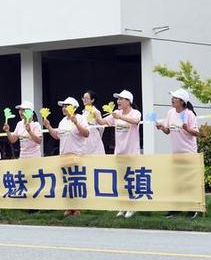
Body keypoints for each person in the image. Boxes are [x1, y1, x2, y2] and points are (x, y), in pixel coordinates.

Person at [97, 90, 142, 218]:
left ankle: (132, 207)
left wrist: (120, 117)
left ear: (128, 101)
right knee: (121, 181)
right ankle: (122, 207)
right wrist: (94, 113)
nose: (118, 101)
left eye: (121, 99)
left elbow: (135, 121)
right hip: (119, 153)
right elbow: (102, 122)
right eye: (118, 99)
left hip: (132, 152)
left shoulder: (135, 112)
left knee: (131, 180)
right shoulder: (116, 113)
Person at [156, 89, 200, 219]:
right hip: (176, 154)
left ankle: (193, 209)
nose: (172, 99)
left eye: (175, 98)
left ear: (182, 101)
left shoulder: (189, 114)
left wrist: (187, 128)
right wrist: (161, 127)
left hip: (188, 154)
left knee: (189, 182)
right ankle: (176, 209)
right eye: (172, 97)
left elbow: (197, 133)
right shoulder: (170, 112)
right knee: (177, 183)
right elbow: (168, 131)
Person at [44, 96, 89, 217]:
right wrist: (48, 126)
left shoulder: (80, 118)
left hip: (77, 155)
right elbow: (57, 136)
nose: (63, 108)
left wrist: (77, 123)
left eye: (66, 106)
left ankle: (77, 208)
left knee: (76, 182)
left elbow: (86, 134)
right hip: (64, 155)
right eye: (63, 106)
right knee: (67, 182)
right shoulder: (62, 121)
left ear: (74, 108)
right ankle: (69, 207)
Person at [82, 90, 105, 155]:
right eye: (83, 98)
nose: (84, 100)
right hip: (85, 139)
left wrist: (97, 138)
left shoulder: (96, 112)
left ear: (92, 100)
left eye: (86, 98)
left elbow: (101, 128)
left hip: (94, 139)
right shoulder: (84, 112)